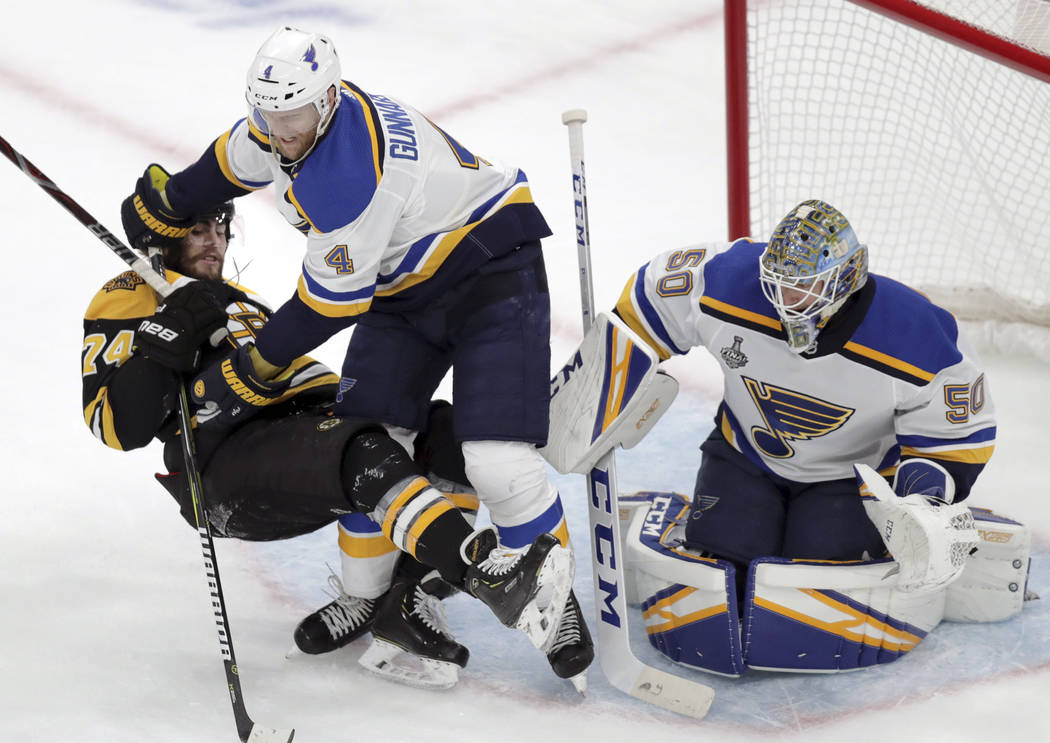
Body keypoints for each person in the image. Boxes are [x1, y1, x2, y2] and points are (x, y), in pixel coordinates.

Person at [118, 25, 592, 684]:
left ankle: (553, 598)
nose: (281, 129)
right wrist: (167, 204)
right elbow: (223, 166)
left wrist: (251, 370)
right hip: (402, 290)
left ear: (330, 98)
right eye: (270, 113)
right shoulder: (279, 122)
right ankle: (368, 598)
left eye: (295, 114)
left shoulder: (348, 177)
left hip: (491, 273)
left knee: (496, 458)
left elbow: (328, 305)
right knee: (368, 444)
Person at [82, 203, 572, 689]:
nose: (214, 241)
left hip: (304, 429)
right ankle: (484, 573)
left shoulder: (233, 295)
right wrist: (162, 344)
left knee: (445, 433)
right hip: (224, 469)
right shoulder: (129, 294)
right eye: (197, 230)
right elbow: (115, 427)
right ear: (161, 241)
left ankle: (400, 599)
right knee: (359, 451)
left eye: (219, 228)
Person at [611, 199, 997, 576]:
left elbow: (955, 439)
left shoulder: (915, 333)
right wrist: (603, 379)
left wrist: (921, 502)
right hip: (746, 455)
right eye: (777, 283)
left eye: (803, 287)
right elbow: (647, 305)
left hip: (852, 479)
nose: (785, 300)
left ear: (845, 277)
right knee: (723, 567)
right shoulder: (728, 282)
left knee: (813, 578)